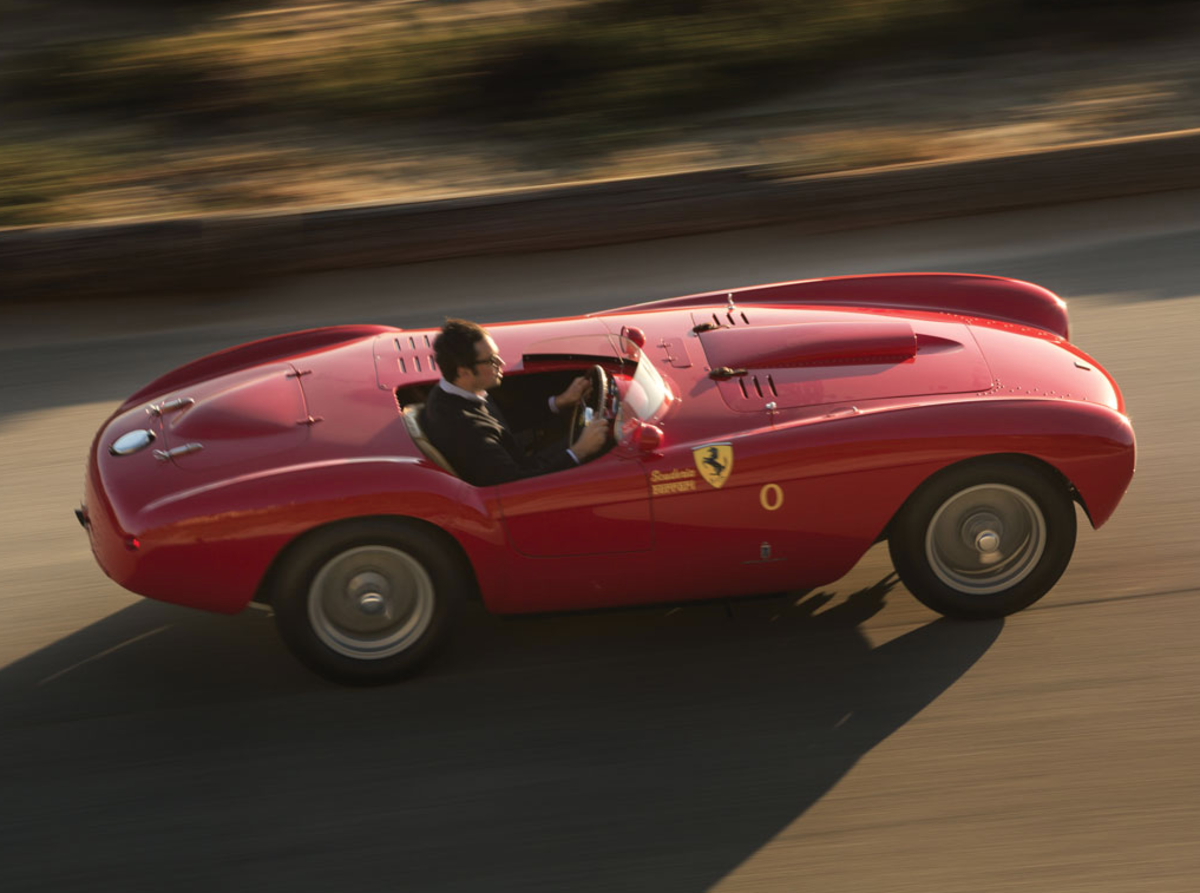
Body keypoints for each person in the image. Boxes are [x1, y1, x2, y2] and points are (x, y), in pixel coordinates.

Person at [421, 318, 610, 486]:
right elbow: (515, 482)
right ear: (464, 372)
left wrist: (559, 402)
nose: (501, 362)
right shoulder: (464, 430)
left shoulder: (457, 391)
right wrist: (579, 452)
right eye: (491, 360)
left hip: (526, 461)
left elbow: (503, 418)